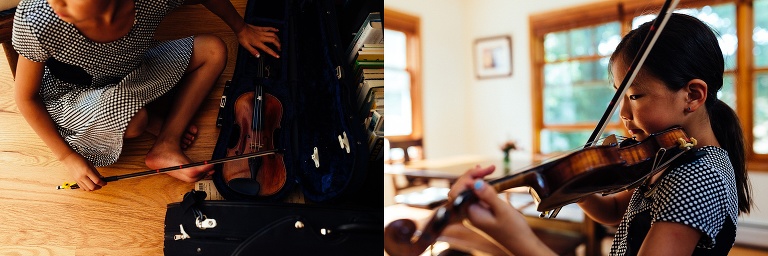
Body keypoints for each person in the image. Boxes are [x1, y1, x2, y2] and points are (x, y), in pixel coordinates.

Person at [449, 13, 753, 255]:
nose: (623, 114)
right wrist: (578, 184)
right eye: (620, 96)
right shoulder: (672, 157)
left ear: (693, 95)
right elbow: (617, 210)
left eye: (635, 96)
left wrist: (515, 237)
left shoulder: (698, 177)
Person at [12, 0, 281, 191]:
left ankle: (167, 143)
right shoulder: (39, 18)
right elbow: (26, 97)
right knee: (136, 121)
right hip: (71, 94)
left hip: (132, 69)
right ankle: (151, 121)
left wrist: (240, 28)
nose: (56, 2)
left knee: (213, 50)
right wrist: (67, 157)